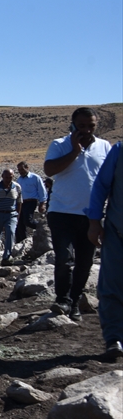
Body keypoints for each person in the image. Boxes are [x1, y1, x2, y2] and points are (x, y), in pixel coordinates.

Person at [44, 107, 112, 319]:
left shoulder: (104, 147)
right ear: (72, 125)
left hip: (91, 215)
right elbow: (49, 170)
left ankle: (74, 302)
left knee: (85, 262)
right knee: (65, 258)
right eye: (81, 126)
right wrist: (75, 150)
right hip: (61, 212)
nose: (87, 130)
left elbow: (110, 178)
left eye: (91, 126)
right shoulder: (59, 144)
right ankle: (62, 300)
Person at [87, 138, 123, 359]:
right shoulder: (120, 150)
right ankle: (114, 338)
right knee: (111, 286)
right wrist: (94, 221)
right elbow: (101, 185)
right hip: (117, 232)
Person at [0, 168, 23, 264]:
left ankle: (7, 256)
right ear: (2, 176)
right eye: (6, 177)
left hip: (11, 214)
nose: (8, 179)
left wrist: (17, 215)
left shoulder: (17, 187)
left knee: (10, 232)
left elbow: (19, 202)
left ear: (13, 177)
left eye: (10, 177)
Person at [16, 161, 47, 241]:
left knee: (28, 220)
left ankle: (41, 227)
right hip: (21, 203)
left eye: (22, 169)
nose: (20, 172)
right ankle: (22, 241)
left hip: (31, 202)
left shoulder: (35, 177)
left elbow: (42, 190)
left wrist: (42, 203)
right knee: (20, 223)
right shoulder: (19, 180)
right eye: (19, 170)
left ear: (27, 168)